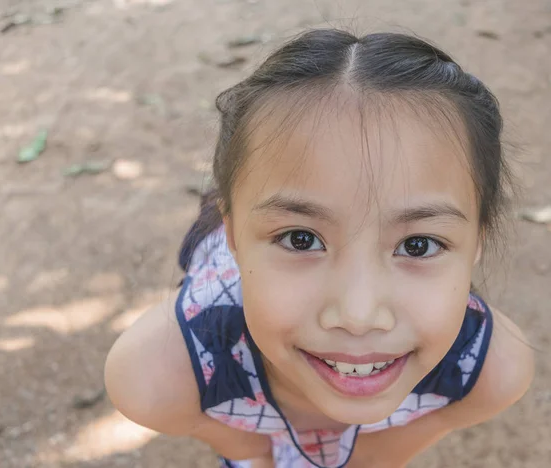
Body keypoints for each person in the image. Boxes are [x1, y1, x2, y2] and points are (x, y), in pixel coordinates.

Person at [104, 29, 534, 468]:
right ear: (232, 236)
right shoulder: (162, 374)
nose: (358, 315)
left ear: (477, 243)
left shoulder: (489, 371)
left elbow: (375, 459)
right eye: (300, 238)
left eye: (417, 245)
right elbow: (236, 443)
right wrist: (250, 451)